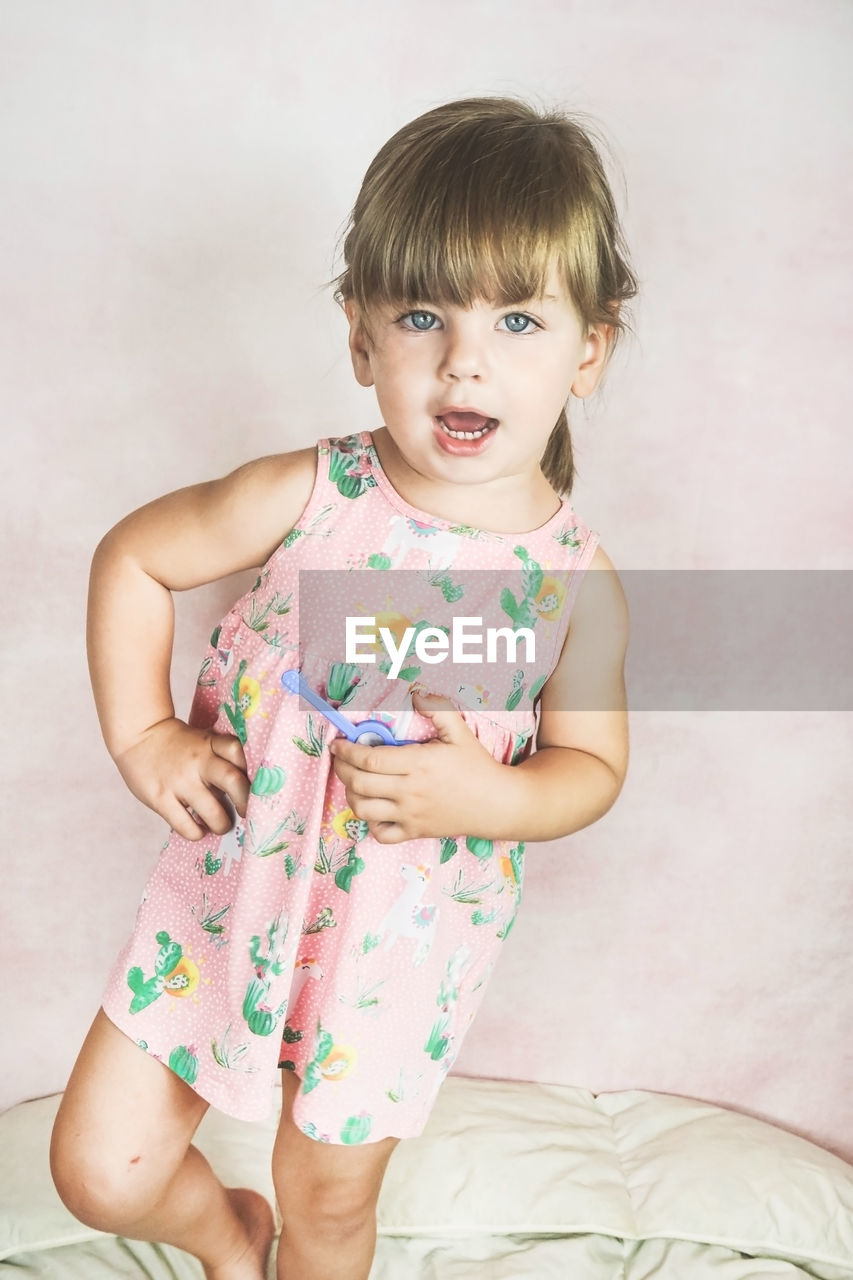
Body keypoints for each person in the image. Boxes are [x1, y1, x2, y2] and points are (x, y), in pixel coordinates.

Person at [50, 96, 634, 1280]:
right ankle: (226, 1237)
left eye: (518, 318)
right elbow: (136, 557)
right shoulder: (309, 492)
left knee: (324, 1205)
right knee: (97, 1169)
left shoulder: (575, 583)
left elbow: (592, 768)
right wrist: (145, 734)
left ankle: (285, 1241)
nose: (465, 358)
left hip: (396, 945)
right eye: (423, 314)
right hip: (227, 898)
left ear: (588, 348)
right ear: (362, 338)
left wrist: (490, 794)